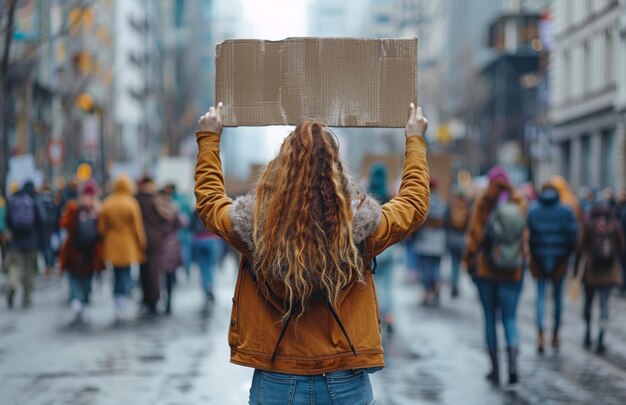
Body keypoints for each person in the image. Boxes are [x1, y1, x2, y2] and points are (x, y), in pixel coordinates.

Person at [194, 102, 429, 403]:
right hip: (344, 379)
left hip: (277, 378)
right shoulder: (360, 232)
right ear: (337, 173)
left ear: (280, 169)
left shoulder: (256, 230)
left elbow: (210, 202)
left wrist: (209, 138)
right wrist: (415, 140)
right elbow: (414, 204)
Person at [464, 166, 528, 385]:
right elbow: (524, 237)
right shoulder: (519, 201)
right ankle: (513, 365)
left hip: (486, 270)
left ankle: (495, 369)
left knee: (490, 317)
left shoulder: (483, 201)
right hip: (512, 270)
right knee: (509, 318)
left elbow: (474, 235)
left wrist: (468, 259)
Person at [528, 183, 578, 353]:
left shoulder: (533, 211)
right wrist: (566, 255)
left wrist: (534, 255)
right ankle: (556, 335)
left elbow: (529, 237)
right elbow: (573, 236)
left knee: (540, 298)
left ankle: (540, 334)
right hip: (560, 261)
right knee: (557, 300)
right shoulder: (566, 211)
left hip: (539, 261)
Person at [574, 202, 624, 354]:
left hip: (591, 272)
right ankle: (601, 338)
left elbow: (580, 248)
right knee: (604, 306)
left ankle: (588, 334)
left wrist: (576, 272)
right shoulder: (614, 226)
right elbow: (622, 248)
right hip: (609, 273)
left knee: (588, 304)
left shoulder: (589, 225)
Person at [98, 175, 147, 322]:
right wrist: (142, 244)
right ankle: (123, 305)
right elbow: (138, 228)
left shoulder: (107, 203)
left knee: (115, 275)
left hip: (111, 245)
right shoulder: (131, 203)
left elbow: (101, 229)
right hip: (127, 246)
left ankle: (116, 304)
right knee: (125, 275)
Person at [59, 179, 105, 325]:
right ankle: (82, 303)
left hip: (80, 253)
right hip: (86, 254)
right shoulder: (92, 211)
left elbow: (63, 223)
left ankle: (79, 302)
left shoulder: (76, 209)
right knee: (83, 279)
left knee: (79, 278)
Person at [5, 180, 46, 308]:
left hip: (16, 241)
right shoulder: (34, 200)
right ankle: (27, 297)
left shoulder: (14, 200)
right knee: (29, 270)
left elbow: (8, 219)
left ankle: (12, 284)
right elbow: (42, 219)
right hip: (31, 241)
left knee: (15, 267)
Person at [368, 163, 396, 333]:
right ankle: (389, 316)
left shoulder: (366, 194)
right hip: (390, 245)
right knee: (388, 284)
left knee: (375, 284)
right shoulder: (389, 195)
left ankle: (377, 315)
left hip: (373, 245)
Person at [136, 177, 167, 316]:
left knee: (143, 270)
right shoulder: (155, 201)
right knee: (154, 271)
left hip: (141, 238)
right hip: (155, 239)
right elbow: (166, 217)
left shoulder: (136, 200)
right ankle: (154, 299)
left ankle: (146, 298)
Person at [414, 179, 447, 306]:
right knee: (436, 268)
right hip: (439, 241)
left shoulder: (424, 202)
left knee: (425, 269)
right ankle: (437, 285)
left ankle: (428, 292)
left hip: (425, 241)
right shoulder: (441, 202)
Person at [156, 189, 183, 314]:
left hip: (160, 243)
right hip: (172, 244)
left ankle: (162, 297)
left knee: (160, 274)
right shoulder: (174, 208)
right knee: (170, 274)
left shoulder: (155, 208)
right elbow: (182, 223)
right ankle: (169, 300)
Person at [190, 211, 221, 310]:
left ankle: (206, 289)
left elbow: (190, 227)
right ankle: (210, 286)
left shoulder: (194, 213)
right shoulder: (210, 211)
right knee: (211, 267)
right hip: (211, 241)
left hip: (199, 241)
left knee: (203, 268)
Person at [445, 189, 471, 298]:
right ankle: (457, 284)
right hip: (462, 239)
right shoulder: (467, 208)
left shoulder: (451, 207)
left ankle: (454, 284)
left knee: (454, 264)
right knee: (460, 264)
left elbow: (446, 222)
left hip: (452, 238)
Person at [39, 182, 59, 275]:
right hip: (52, 228)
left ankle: (48, 266)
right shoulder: (52, 201)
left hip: (43, 228)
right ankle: (50, 265)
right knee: (50, 247)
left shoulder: (40, 201)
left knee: (45, 248)